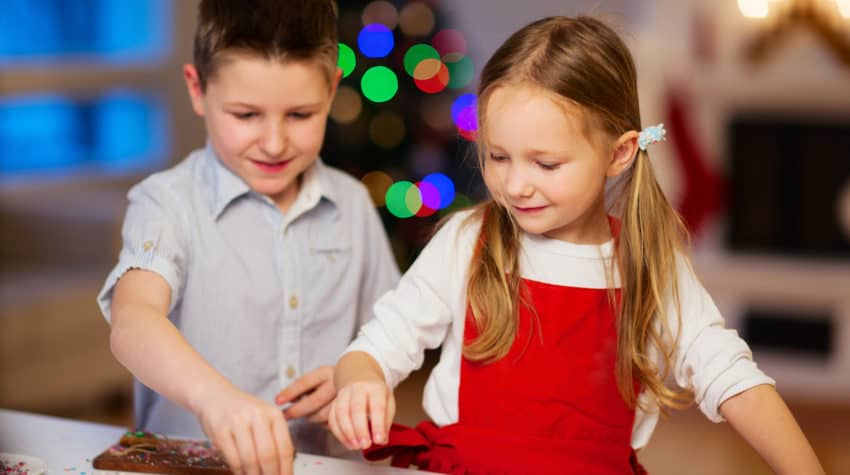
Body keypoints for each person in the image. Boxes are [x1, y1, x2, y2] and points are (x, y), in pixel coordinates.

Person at [327, 16, 824, 475]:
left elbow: (732, 378)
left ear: (619, 153)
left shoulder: (649, 265)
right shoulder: (468, 241)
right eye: (498, 156)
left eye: (545, 164)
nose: (516, 185)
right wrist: (361, 380)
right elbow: (375, 348)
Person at [97, 1, 400, 474]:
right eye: (245, 115)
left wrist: (362, 372)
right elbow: (132, 320)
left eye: (300, 114)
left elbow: (393, 333)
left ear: (332, 88)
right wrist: (213, 399)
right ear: (197, 89)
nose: (275, 143)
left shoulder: (353, 205)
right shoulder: (166, 203)